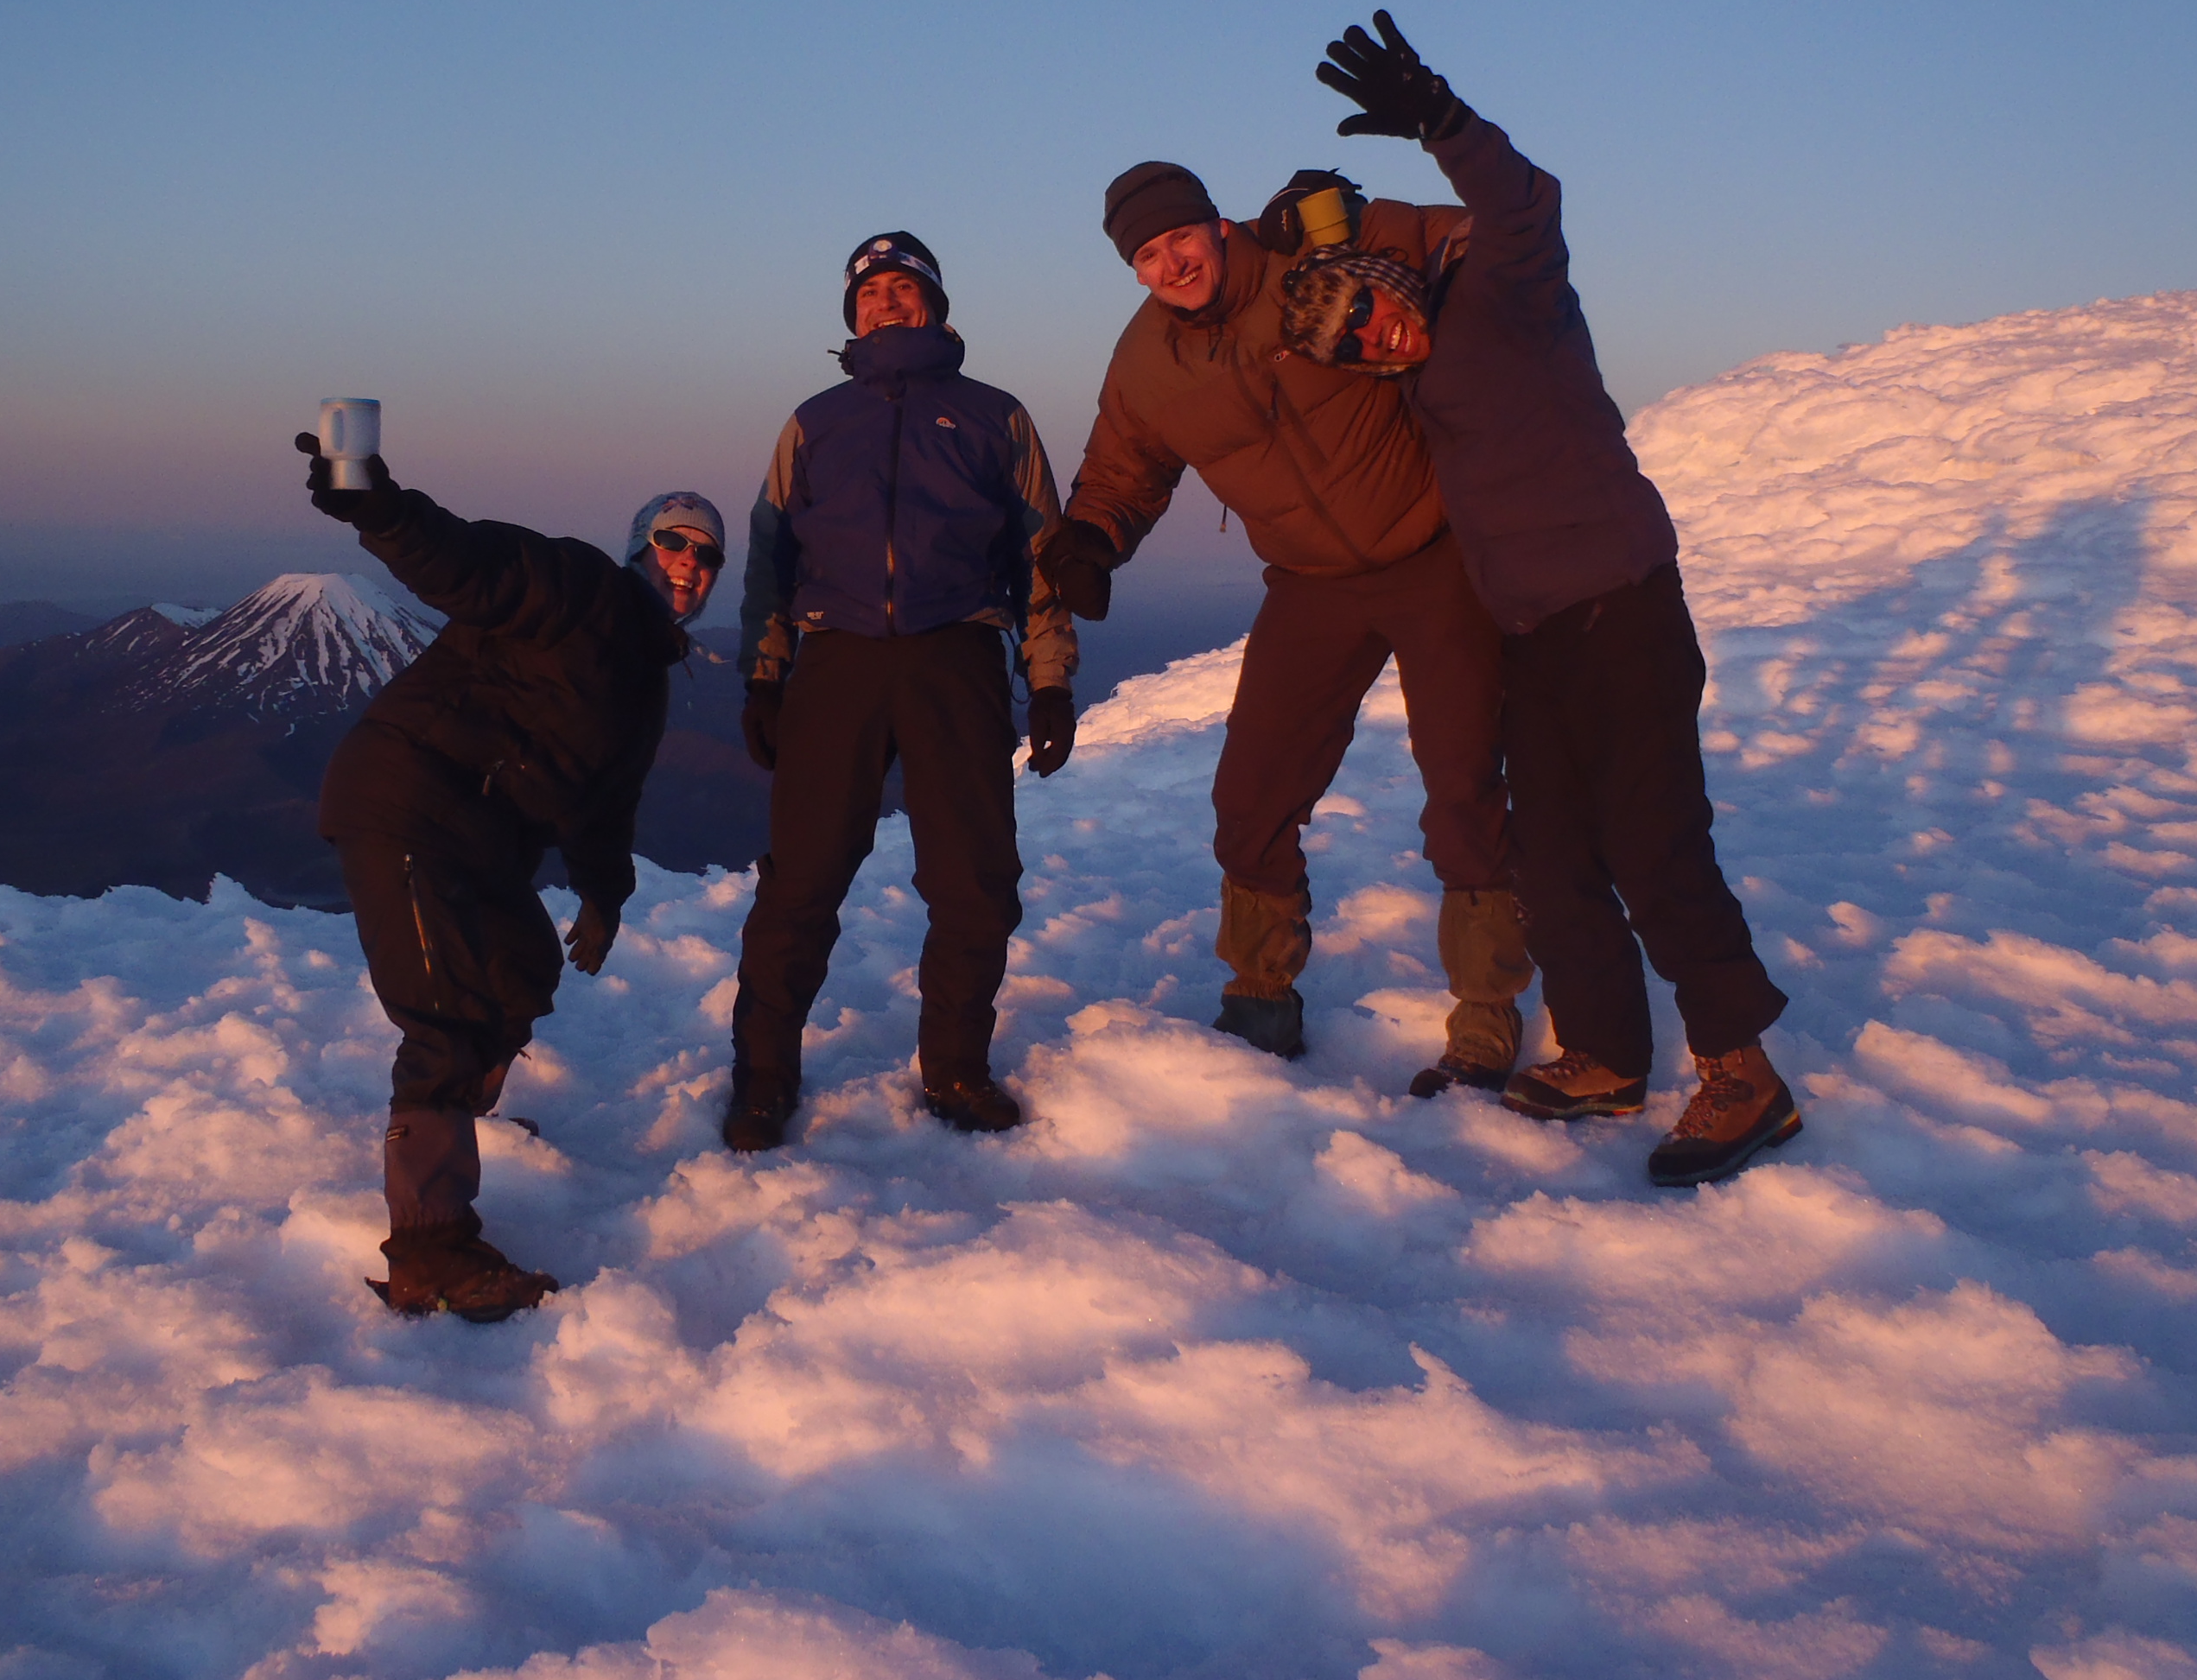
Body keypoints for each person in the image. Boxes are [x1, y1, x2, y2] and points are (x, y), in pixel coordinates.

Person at [1280, 10, 1802, 1186]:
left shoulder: (1502, 294)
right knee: (1556, 855)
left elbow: (1527, 205)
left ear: (1388, 283)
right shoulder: (1419, 383)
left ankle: (1742, 1071)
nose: (1371, 339)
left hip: (1621, 603)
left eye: (1365, 311)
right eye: (1350, 346)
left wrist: (1442, 120)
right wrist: (1303, 235)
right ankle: (1606, 1055)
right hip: (1536, 634)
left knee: (1653, 843)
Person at [1042, 155, 1523, 1078]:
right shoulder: (1146, 361)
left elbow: (1468, 237)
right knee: (1253, 793)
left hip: (1434, 553)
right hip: (1310, 583)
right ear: (1134, 272)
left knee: (1464, 783)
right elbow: (1121, 469)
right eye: (1147, 255)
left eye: (1180, 237)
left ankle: (1486, 1014)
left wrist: (1371, 225)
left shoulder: (1310, 252)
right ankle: (1261, 996)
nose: (1172, 264)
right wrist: (1093, 541)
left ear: (1218, 226)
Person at [296, 434, 721, 1315]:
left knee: (518, 969)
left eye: (707, 554)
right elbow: (470, 563)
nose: (690, 562)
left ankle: (455, 1125)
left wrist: (604, 895)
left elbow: (605, 806)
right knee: (447, 1015)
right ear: (639, 548)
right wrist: (378, 507)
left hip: (478, 835)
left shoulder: (643, 683)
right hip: (410, 800)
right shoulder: (581, 588)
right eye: (674, 541)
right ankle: (431, 1249)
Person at [727, 231, 1078, 1151]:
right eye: (870, 293)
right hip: (836, 662)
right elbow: (771, 556)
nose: (886, 303)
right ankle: (762, 1079)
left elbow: (1043, 554)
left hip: (956, 657)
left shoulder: (997, 416)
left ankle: (957, 1069)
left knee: (974, 881)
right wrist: (764, 673)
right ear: (853, 315)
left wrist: (1049, 679)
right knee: (800, 882)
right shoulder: (814, 422)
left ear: (935, 304)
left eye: (902, 288)